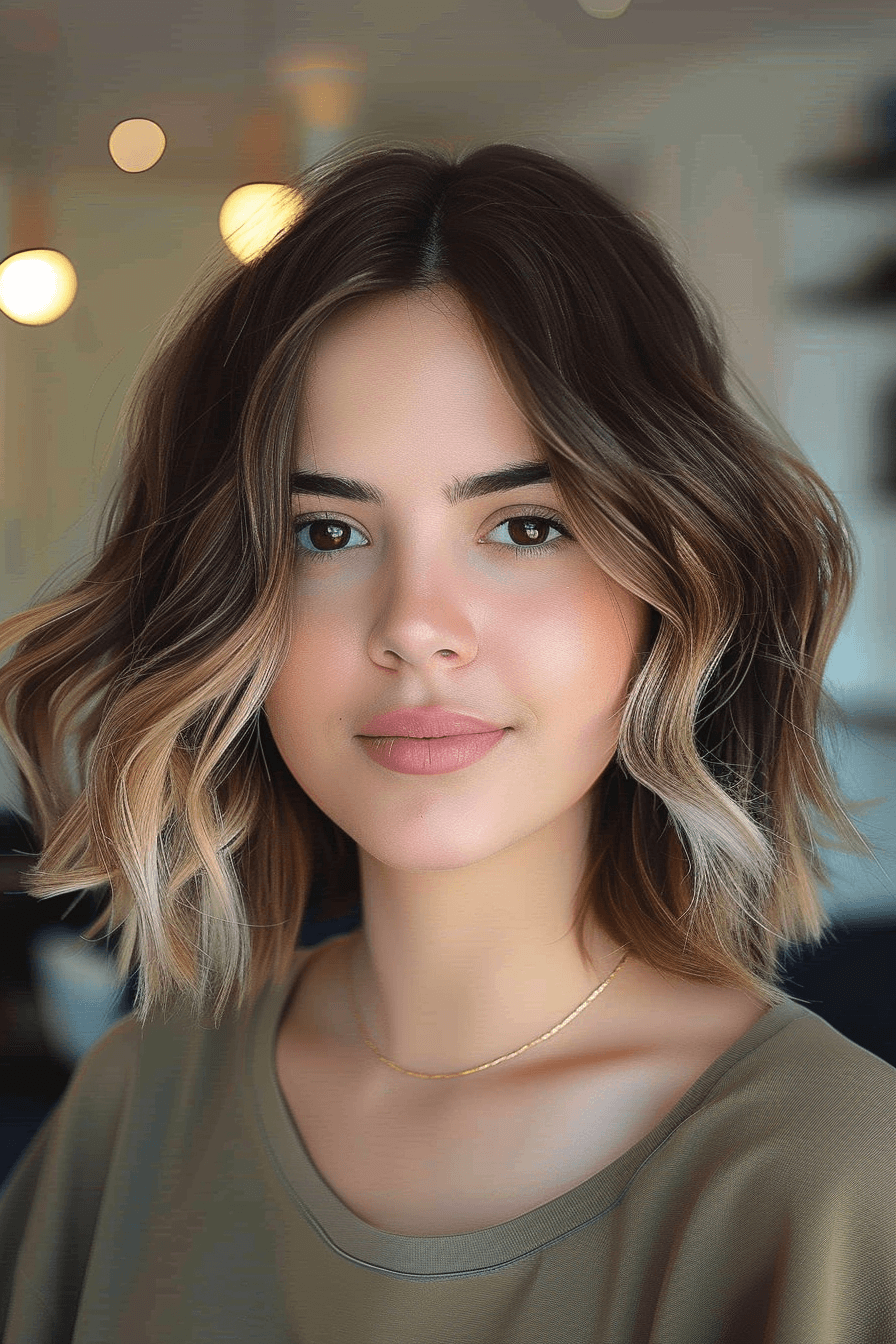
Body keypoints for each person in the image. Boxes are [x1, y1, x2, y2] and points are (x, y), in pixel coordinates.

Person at [0, 138, 893, 1342]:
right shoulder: (142, 1099)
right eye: (326, 534)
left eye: (523, 527)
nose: (415, 628)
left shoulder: (828, 1174)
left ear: (673, 583)